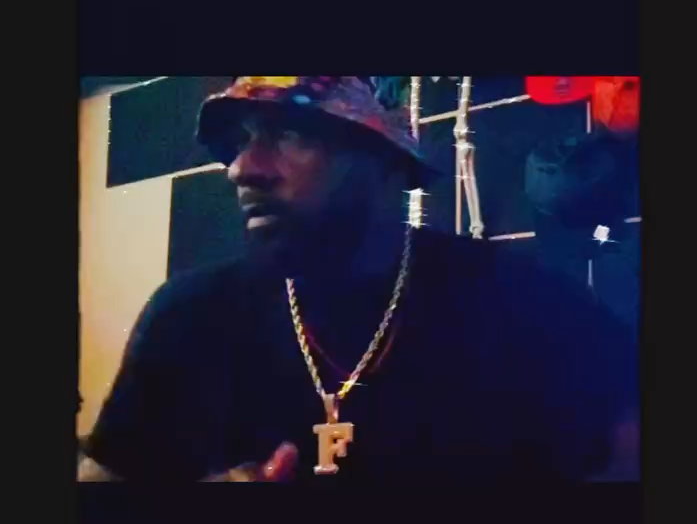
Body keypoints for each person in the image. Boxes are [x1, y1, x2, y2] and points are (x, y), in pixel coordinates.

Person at [78, 75, 639, 485]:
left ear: (386, 163)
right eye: (242, 140)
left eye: (290, 133)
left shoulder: (526, 304)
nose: (242, 168)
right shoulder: (186, 320)